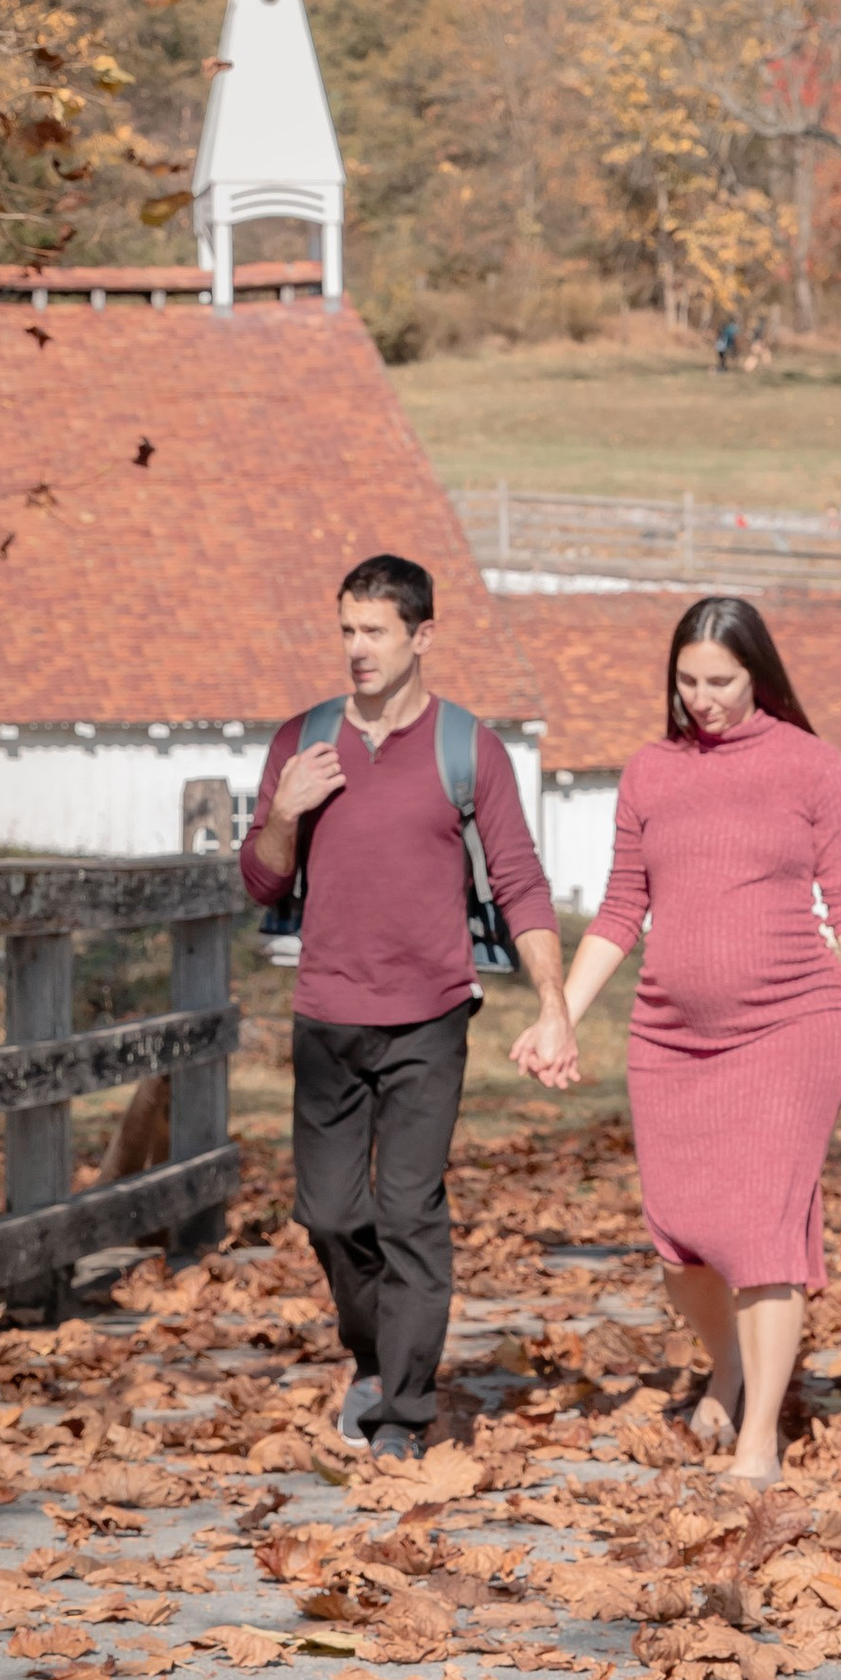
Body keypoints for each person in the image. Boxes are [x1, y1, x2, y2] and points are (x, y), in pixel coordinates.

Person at [513, 593, 841, 1487]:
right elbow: (620, 909)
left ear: (757, 674)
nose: (703, 699)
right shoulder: (651, 771)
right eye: (687, 681)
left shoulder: (812, 768)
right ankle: (726, 1363)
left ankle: (759, 1434)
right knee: (683, 1240)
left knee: (763, 1232)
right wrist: (559, 1012)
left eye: (720, 681)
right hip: (671, 1038)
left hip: (793, 1027)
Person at [242, 555, 568, 1461]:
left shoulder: (470, 748)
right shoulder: (301, 743)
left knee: (408, 1211)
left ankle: (403, 1413)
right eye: (347, 630)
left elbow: (519, 880)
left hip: (430, 1014)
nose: (357, 649)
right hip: (327, 1014)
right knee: (332, 1215)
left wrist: (555, 1003)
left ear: (422, 636)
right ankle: (374, 1358)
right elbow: (259, 879)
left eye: (375, 631)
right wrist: (283, 812)